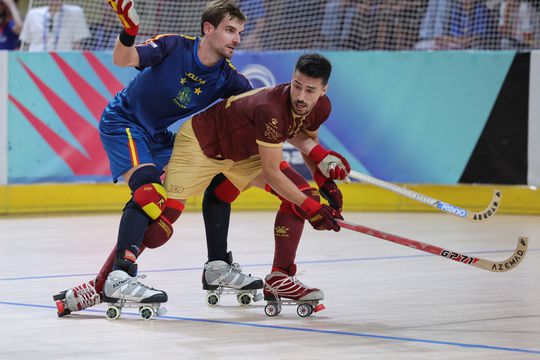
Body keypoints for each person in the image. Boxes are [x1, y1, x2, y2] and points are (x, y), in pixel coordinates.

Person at [53, 0, 259, 316]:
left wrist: (314, 153)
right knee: (149, 193)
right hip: (124, 121)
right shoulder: (173, 46)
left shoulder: (229, 78)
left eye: (239, 32)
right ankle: (120, 276)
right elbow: (122, 59)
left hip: (159, 136)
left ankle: (217, 265)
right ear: (208, 28)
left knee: (216, 178)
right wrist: (129, 31)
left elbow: (264, 113)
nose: (236, 39)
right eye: (230, 30)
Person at [163, 53, 348, 305]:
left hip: (244, 153)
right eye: (297, 86)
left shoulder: (321, 107)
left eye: (310, 90)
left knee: (297, 194)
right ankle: (114, 275)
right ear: (291, 79)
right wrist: (312, 208)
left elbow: (306, 139)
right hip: (204, 143)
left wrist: (323, 181)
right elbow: (272, 172)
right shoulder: (271, 109)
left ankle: (277, 277)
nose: (301, 96)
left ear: (324, 90)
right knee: (159, 219)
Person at [19, 0, 90, 51]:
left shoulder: (75, 12)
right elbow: (26, 43)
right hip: (36, 62)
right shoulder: (33, 14)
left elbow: (77, 45)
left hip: (63, 62)